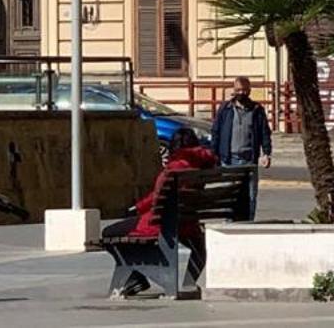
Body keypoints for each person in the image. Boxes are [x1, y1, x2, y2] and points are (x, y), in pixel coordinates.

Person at [103, 130, 221, 298]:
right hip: (189, 223)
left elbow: (158, 198)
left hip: (163, 224)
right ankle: (188, 284)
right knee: (194, 244)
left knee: (108, 233)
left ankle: (136, 276)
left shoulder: (174, 169)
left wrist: (136, 209)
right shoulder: (203, 165)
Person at [210, 77, 272, 218]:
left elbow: (264, 133)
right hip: (229, 159)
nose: (241, 93)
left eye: (244, 90)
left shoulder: (256, 110)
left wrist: (266, 153)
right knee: (229, 195)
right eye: (238, 90)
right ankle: (230, 222)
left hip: (249, 159)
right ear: (234, 90)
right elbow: (216, 131)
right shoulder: (225, 109)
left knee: (250, 195)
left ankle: (248, 222)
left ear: (249, 91)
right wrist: (214, 154)